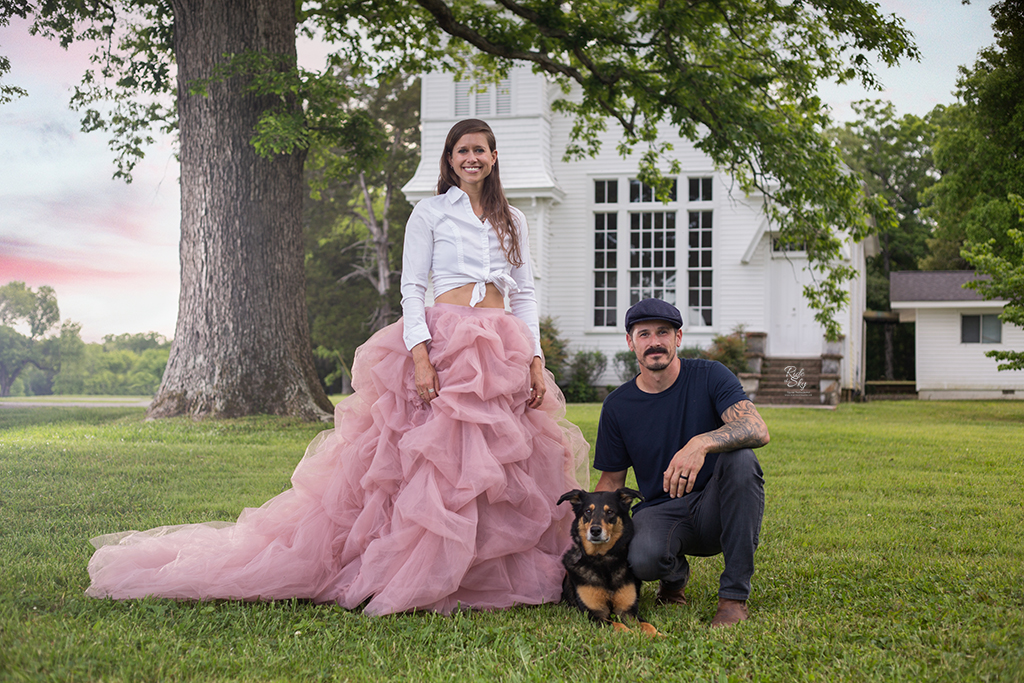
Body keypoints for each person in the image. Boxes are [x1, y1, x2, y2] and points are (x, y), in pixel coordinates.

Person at [85, 119, 590, 616]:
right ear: (450, 160)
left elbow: (524, 294)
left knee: (499, 464)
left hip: (502, 348)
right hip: (447, 342)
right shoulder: (431, 213)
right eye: (462, 151)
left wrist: (535, 359)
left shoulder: (513, 220)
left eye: (480, 150)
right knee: (438, 461)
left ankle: (481, 567)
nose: (472, 159)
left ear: (494, 157)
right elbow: (412, 287)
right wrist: (420, 355)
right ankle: (416, 565)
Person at [594, 298, 769, 628]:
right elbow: (612, 481)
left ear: (678, 338)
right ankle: (673, 578)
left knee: (743, 460)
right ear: (630, 342)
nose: (655, 342)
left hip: (715, 506)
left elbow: (757, 428)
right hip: (659, 510)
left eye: (664, 332)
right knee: (641, 559)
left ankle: (733, 598)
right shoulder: (618, 406)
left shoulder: (710, 376)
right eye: (644, 334)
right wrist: (588, 537)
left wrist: (701, 442)